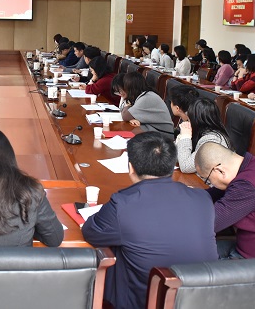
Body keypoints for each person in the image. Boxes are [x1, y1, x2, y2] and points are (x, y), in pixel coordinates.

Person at [82, 132, 217, 309]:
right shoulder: (202, 198)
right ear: (171, 166)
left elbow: (91, 232)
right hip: (199, 300)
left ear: (131, 167)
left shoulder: (122, 204)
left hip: (146, 302)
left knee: (114, 247)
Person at [175, 99, 232, 174]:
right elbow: (175, 156)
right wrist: (180, 138)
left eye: (189, 120)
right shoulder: (200, 132)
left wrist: (185, 137)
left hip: (206, 180)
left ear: (196, 121)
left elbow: (185, 167)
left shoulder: (212, 140)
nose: (187, 122)